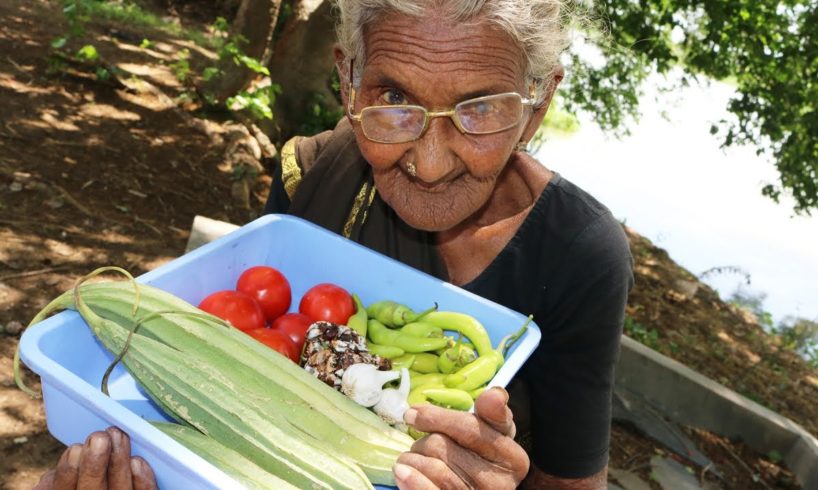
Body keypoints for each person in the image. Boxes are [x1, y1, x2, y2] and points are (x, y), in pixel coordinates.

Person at [36, 0, 632, 489]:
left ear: (536, 107)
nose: (428, 162)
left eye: (479, 108)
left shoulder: (579, 256)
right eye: (394, 99)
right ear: (348, 80)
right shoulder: (315, 175)